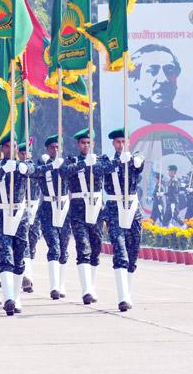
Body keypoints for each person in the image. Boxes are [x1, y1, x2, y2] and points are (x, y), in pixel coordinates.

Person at [58, 128, 111, 305]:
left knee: (96, 247)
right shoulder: (72, 160)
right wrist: (83, 164)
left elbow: (110, 168)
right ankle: (86, 289)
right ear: (78, 144)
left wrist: (93, 163)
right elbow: (63, 172)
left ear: (93, 144)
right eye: (82, 143)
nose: (86, 145)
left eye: (88, 143)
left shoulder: (100, 160)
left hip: (96, 208)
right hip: (78, 209)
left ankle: (92, 285)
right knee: (83, 246)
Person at [0, 138, 33, 316]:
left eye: (13, 146)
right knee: (5, 256)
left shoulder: (22, 164)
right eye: (6, 146)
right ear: (1, 149)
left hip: (20, 216)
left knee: (19, 257)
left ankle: (16, 296)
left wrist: (25, 167)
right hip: (0, 215)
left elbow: (34, 170)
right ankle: (9, 298)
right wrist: (3, 170)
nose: (9, 149)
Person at [103, 128, 145, 312]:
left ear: (128, 142)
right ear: (113, 144)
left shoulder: (135, 157)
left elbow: (139, 163)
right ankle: (123, 297)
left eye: (123, 142)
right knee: (120, 251)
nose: (120, 145)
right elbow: (99, 169)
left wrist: (134, 161)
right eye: (117, 142)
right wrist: (118, 162)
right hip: (114, 209)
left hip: (133, 208)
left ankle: (127, 290)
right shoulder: (107, 160)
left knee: (133, 250)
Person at [34, 135, 73, 300]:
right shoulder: (42, 165)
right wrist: (51, 166)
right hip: (48, 208)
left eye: (58, 147)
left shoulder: (68, 163)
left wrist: (61, 166)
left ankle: (61, 283)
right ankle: (54, 286)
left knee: (64, 250)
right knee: (54, 247)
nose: (55, 150)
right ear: (47, 150)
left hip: (64, 209)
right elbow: (34, 173)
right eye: (52, 148)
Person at [128, 44, 193, 125]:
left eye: (169, 70)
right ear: (135, 79)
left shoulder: (189, 123)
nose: (163, 79)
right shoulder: (125, 121)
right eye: (153, 71)